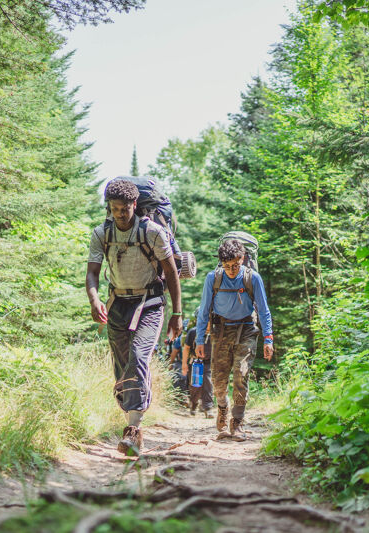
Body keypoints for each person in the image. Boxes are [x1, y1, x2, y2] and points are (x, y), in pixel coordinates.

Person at [86, 178, 183, 455]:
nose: (120, 213)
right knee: (121, 367)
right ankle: (130, 411)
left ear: (135, 204)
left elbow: (172, 273)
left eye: (125, 208)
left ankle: (134, 430)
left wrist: (176, 313)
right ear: (109, 207)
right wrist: (95, 301)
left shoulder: (152, 232)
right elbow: (92, 273)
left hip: (150, 302)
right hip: (117, 302)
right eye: (115, 208)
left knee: (139, 357)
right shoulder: (101, 233)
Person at [195, 239, 273, 441]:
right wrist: (199, 340)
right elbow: (203, 311)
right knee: (219, 382)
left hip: (246, 330)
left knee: (241, 373)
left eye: (235, 265)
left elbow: (263, 310)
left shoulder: (252, 278)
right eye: (227, 266)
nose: (231, 270)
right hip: (220, 331)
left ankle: (237, 422)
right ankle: (222, 407)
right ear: (221, 262)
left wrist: (268, 338)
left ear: (243, 259)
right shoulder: (213, 278)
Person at [182, 315, 214, 417]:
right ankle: (194, 405)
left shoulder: (215, 333)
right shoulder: (193, 332)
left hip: (209, 363)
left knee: (208, 384)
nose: (209, 324)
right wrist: (184, 364)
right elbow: (186, 348)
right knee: (195, 386)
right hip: (195, 362)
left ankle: (208, 408)